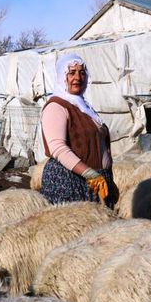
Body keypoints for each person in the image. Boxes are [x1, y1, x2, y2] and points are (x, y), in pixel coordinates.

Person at [40, 53, 117, 208]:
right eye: (72, 73)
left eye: (82, 73)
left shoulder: (83, 106)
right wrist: (89, 173)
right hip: (70, 181)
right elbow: (58, 148)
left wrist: (107, 178)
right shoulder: (57, 106)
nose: (78, 77)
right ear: (62, 77)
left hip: (95, 180)